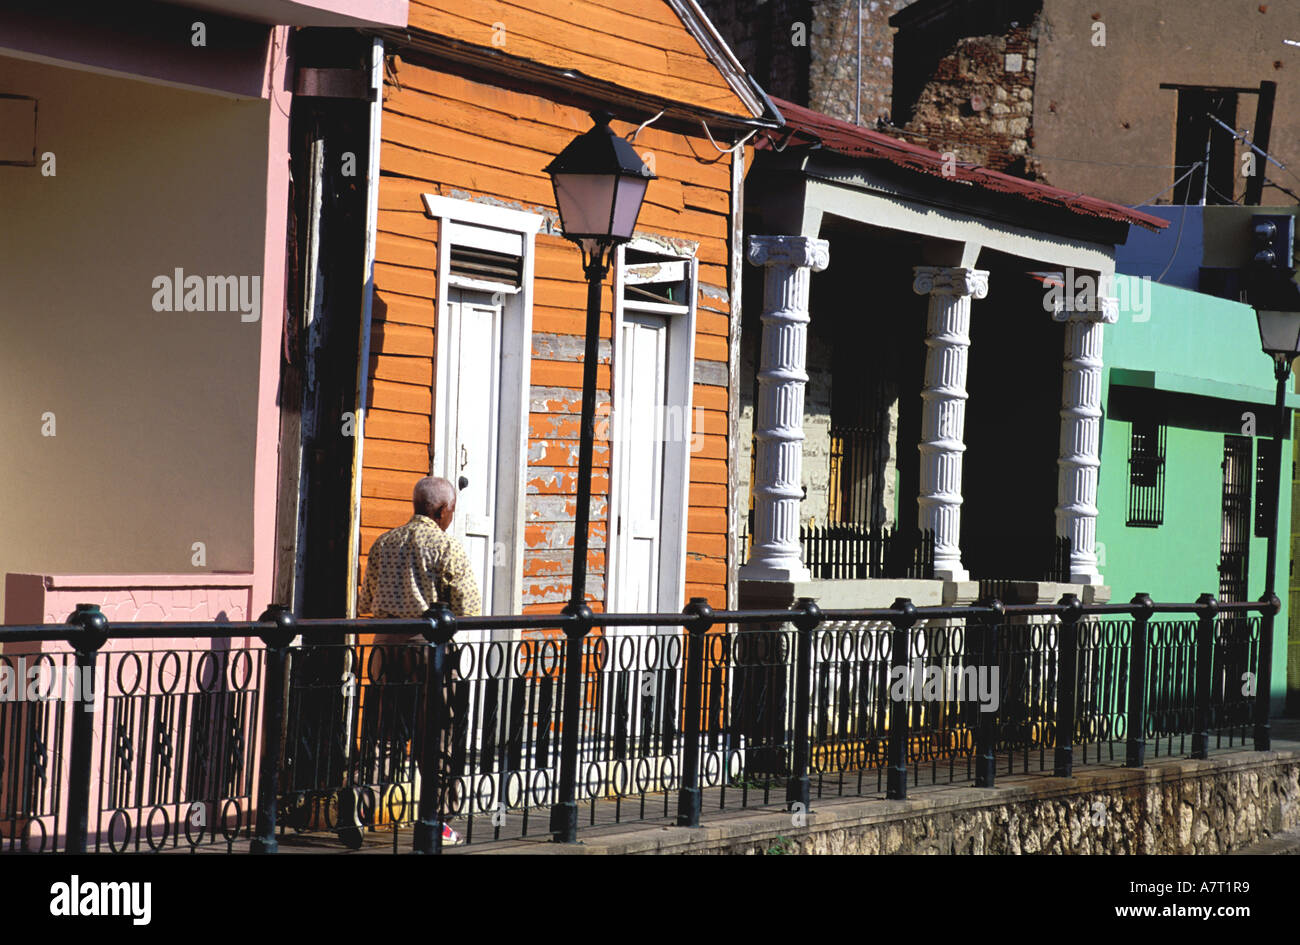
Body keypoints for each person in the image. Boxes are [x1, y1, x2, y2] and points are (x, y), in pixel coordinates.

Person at [355, 475, 481, 846]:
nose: (451, 517)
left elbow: (366, 605)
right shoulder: (446, 547)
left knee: (382, 736)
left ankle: (359, 807)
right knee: (436, 735)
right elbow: (468, 609)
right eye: (452, 511)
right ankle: (436, 820)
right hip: (430, 652)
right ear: (442, 510)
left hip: (385, 649)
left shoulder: (384, 542)